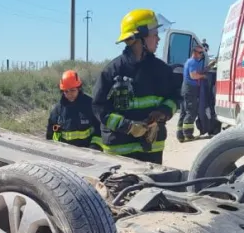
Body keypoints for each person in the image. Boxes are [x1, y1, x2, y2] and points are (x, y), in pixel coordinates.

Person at [92, 9, 181, 164]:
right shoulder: (111, 72)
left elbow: (175, 96)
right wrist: (128, 126)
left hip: (151, 152)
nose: (158, 38)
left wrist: (163, 112)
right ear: (138, 38)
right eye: (154, 34)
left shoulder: (162, 70)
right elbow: (100, 109)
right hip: (119, 153)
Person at [45, 69, 97, 148]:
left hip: (88, 152)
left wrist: (94, 147)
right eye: (66, 91)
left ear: (79, 88)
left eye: (72, 90)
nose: (69, 94)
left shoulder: (90, 105)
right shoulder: (58, 109)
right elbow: (51, 132)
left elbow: (100, 129)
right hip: (65, 152)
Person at [177, 43, 207, 143]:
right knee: (191, 111)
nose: (201, 54)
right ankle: (188, 134)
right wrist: (202, 76)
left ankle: (180, 135)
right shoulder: (193, 62)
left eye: (202, 53)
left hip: (185, 88)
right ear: (194, 52)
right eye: (200, 52)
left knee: (183, 112)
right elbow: (193, 76)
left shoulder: (189, 61)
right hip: (190, 89)